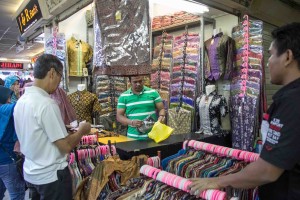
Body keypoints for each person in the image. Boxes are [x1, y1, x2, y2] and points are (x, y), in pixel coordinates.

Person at [188, 22, 300, 199]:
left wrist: (220, 181)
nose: (268, 63)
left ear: (287, 57)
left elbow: (268, 171)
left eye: (270, 55)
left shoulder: (292, 101)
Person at [13, 54, 91, 200]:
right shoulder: (46, 103)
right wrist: (82, 130)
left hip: (31, 172)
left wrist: (62, 127)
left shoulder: (22, 102)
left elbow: (35, 132)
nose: (59, 83)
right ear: (52, 73)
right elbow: (65, 146)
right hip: (51, 177)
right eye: (60, 77)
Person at [0, 85, 26, 200]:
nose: (9, 101)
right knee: (17, 195)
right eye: (8, 98)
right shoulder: (5, 109)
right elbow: (21, 105)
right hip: (7, 161)